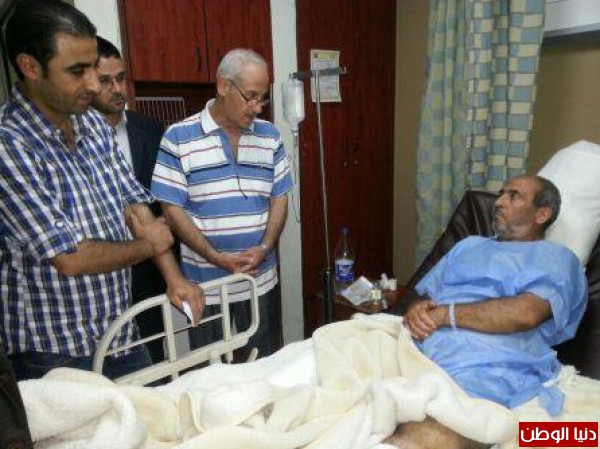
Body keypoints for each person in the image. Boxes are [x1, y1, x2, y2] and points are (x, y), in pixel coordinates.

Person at [0, 0, 204, 381]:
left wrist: (174, 277)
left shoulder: (93, 125)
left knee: (150, 415)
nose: (94, 84)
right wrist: (149, 245)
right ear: (30, 67)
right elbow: (69, 256)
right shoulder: (9, 145)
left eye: (94, 66)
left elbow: (135, 207)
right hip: (53, 352)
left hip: (120, 334)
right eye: (78, 71)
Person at [397, 175, 587, 448]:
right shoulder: (468, 246)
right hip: (412, 346)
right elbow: (424, 297)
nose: (498, 202)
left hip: (486, 361)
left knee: (434, 431)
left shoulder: (558, 258)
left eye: (513, 196)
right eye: (501, 193)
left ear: (542, 215)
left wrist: (445, 315)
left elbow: (526, 313)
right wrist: (417, 309)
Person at [151, 48, 293, 358]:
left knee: (265, 366)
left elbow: (279, 197)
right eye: (251, 97)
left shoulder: (270, 136)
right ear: (224, 86)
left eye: (262, 98)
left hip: (260, 282)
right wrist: (216, 257)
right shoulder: (178, 138)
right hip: (206, 288)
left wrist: (265, 246)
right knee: (212, 374)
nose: (257, 107)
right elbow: (171, 210)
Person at [92, 36, 168, 362]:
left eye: (121, 78)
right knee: (105, 365)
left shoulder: (149, 130)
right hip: (99, 274)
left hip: (147, 271)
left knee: (154, 359)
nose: (117, 89)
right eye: (105, 81)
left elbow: (158, 202)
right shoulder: (73, 139)